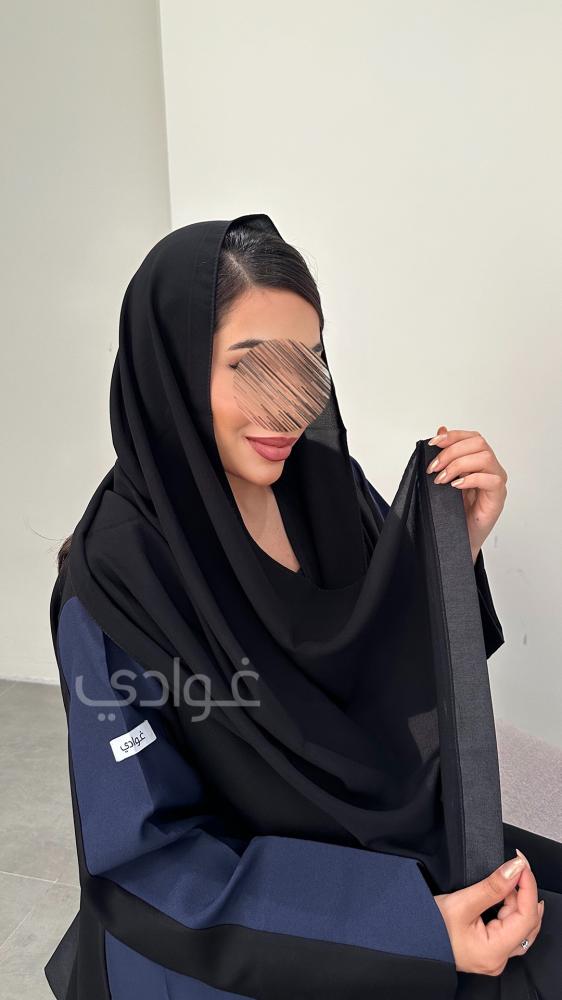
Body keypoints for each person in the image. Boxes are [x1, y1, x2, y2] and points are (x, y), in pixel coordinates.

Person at [46, 213, 561, 999]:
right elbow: (149, 859)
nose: (288, 408)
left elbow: (381, 670)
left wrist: (455, 555)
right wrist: (412, 929)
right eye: (252, 367)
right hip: (243, 924)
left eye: (307, 364)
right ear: (172, 367)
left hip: (356, 831)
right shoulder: (113, 585)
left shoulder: (323, 488)